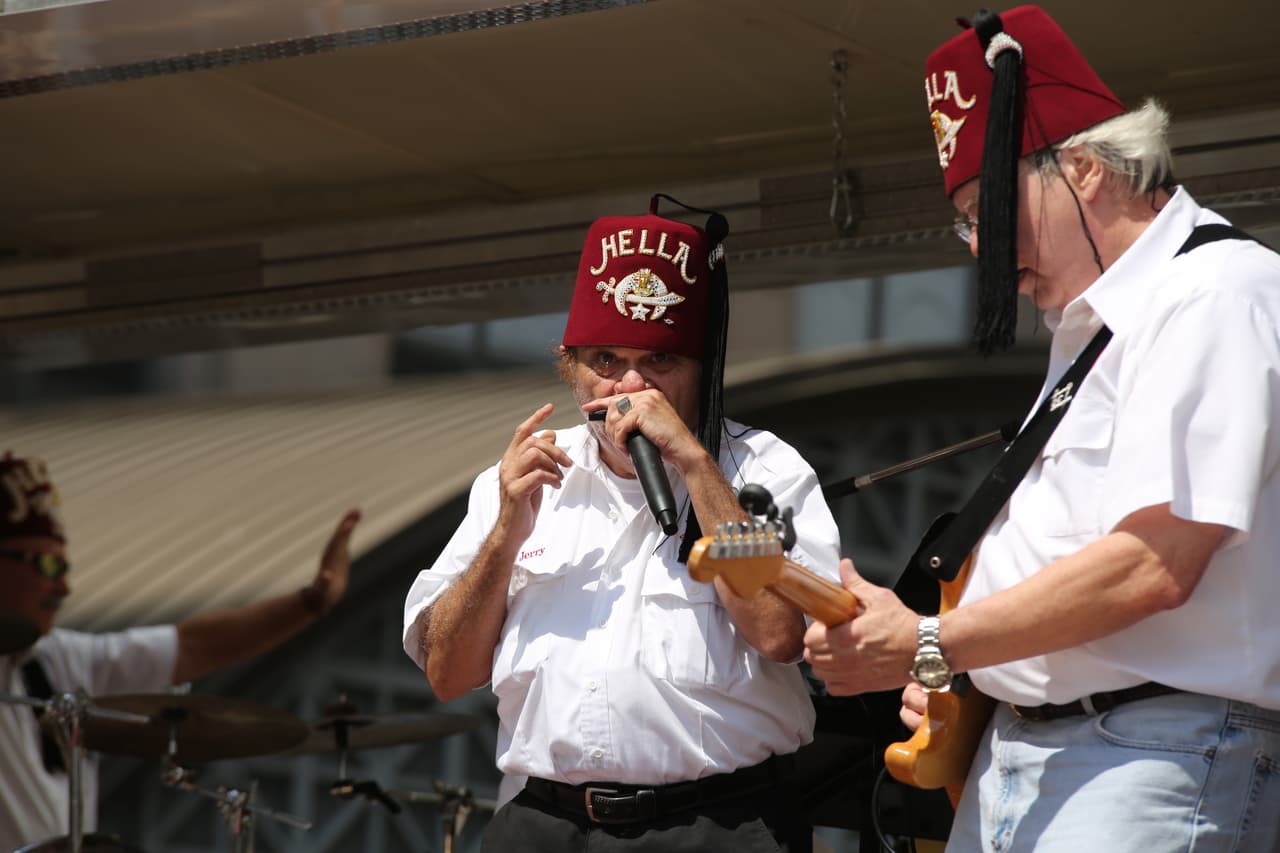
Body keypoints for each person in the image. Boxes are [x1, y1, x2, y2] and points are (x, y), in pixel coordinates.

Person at [803, 6, 1280, 852]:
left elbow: (1155, 560)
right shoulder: (1095, 328)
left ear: (1087, 170)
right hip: (1036, 750)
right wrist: (942, 660)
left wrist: (928, 638)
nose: (980, 249)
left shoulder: (1214, 292)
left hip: (1154, 753)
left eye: (984, 209)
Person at [402, 196, 842, 852]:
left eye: (659, 362)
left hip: (720, 825)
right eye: (605, 361)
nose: (629, 387)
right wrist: (505, 531)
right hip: (545, 825)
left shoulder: (762, 467)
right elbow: (446, 672)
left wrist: (695, 463)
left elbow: (780, 633)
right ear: (568, 364)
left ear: (702, 369)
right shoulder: (524, 474)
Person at [0, 452, 361, 849]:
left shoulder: (62, 657)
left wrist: (312, 601)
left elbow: (193, 645)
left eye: (65, 570)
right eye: (48, 567)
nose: (64, 587)